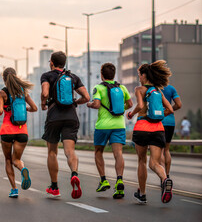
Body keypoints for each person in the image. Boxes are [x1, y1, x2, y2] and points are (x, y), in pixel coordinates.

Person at [40, 51, 90, 199]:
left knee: (52, 152)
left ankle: (54, 187)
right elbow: (86, 97)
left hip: (54, 116)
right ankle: (74, 173)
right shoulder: (73, 77)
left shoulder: (47, 75)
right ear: (64, 63)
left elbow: (44, 93)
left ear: (51, 63)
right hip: (71, 117)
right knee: (70, 151)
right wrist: (75, 102)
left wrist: (44, 104)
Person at [127, 60, 174, 204]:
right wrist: (157, 117)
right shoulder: (158, 91)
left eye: (139, 75)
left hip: (142, 128)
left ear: (144, 75)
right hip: (158, 129)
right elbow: (170, 109)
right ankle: (165, 179)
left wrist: (132, 114)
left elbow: (140, 104)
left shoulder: (139, 89)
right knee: (154, 163)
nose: (139, 78)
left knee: (142, 161)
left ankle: (142, 193)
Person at [87, 63, 133, 199]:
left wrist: (89, 104)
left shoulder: (98, 88)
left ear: (102, 74)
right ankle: (119, 180)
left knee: (98, 151)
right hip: (119, 125)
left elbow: (96, 104)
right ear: (114, 74)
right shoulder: (122, 88)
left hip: (103, 126)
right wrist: (120, 108)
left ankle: (103, 180)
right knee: (118, 153)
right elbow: (130, 104)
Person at [0, 68, 37, 198]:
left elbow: (0, 111)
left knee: (8, 160)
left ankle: (14, 189)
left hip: (7, 130)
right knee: (16, 159)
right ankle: (22, 168)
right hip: (21, 130)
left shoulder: (2, 93)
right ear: (15, 76)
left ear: (4, 79)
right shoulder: (23, 91)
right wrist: (26, 109)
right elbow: (34, 108)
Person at [161, 85, 182, 178]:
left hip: (159, 121)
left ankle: (163, 177)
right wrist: (170, 110)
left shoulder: (154, 88)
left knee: (160, 150)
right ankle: (167, 175)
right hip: (170, 122)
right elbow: (179, 104)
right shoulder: (172, 88)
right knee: (166, 149)